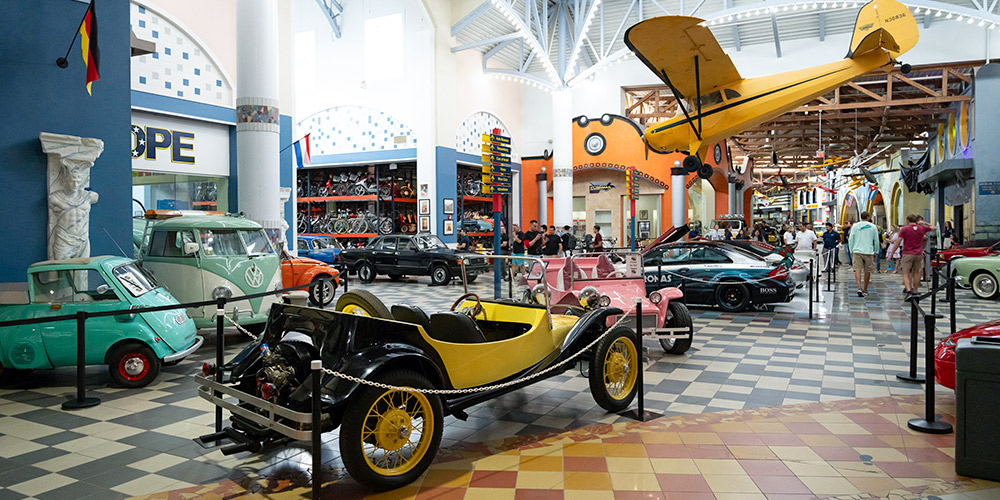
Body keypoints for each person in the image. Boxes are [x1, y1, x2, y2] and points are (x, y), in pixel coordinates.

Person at [888, 214, 935, 299]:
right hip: (918, 253)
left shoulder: (904, 229)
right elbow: (934, 227)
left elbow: (898, 242)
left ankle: (909, 291)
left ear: (907, 221)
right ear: (916, 221)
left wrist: (892, 253)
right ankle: (915, 291)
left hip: (907, 253)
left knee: (905, 272)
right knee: (916, 272)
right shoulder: (922, 228)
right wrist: (924, 223)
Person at [848, 211, 879, 297]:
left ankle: (859, 287)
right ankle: (865, 289)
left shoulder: (855, 226)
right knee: (867, 271)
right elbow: (876, 240)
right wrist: (876, 250)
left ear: (861, 217)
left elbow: (851, 239)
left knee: (857, 269)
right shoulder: (873, 227)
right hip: (868, 251)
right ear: (868, 217)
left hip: (857, 251)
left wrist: (852, 250)